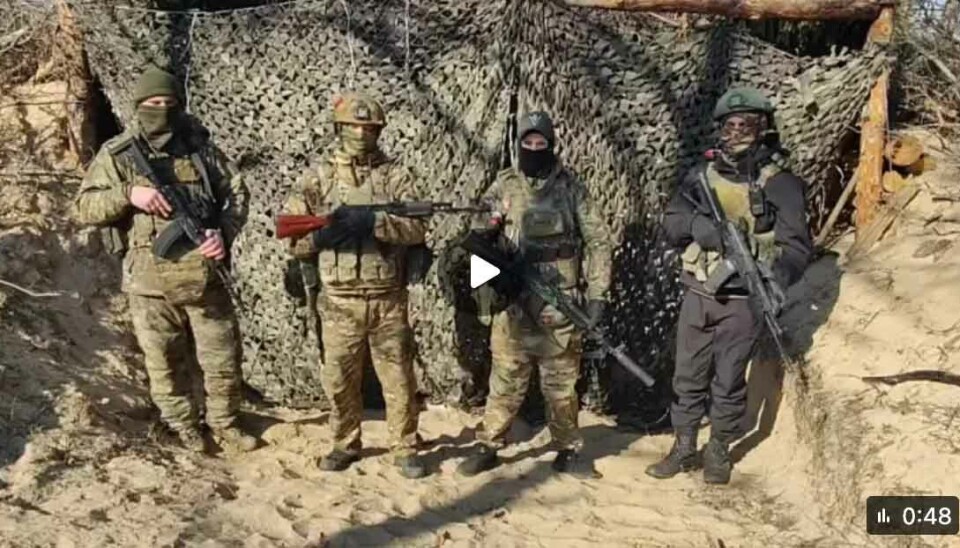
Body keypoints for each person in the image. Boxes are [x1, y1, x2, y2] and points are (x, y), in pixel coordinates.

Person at [74, 65, 256, 454]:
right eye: (153, 103)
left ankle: (225, 423)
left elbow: (237, 193)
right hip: (148, 281)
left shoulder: (202, 150)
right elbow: (84, 206)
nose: (161, 109)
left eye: (169, 103)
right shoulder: (119, 154)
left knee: (222, 356)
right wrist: (128, 195)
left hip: (205, 273)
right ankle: (183, 426)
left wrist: (223, 230)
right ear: (138, 106)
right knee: (164, 361)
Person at [647, 87, 812, 484]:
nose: (737, 132)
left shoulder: (780, 183)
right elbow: (671, 222)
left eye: (747, 125)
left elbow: (797, 248)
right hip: (699, 294)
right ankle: (684, 446)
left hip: (743, 302)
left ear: (763, 129)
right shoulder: (701, 176)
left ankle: (719, 448)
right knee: (686, 376)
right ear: (720, 129)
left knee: (729, 379)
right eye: (730, 125)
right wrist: (698, 228)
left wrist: (770, 278)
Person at [457, 111, 613, 479]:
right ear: (519, 145)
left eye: (540, 143)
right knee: (506, 379)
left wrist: (597, 297)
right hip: (513, 303)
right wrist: (489, 292)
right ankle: (489, 444)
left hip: (559, 302)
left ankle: (567, 449)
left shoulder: (572, 189)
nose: (533, 149)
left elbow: (599, 242)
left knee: (561, 385)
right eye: (527, 143)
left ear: (551, 145)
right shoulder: (505, 186)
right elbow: (480, 241)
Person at [283, 93, 427, 479]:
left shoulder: (396, 176)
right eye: (353, 127)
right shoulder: (318, 177)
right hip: (339, 300)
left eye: (369, 127)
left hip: (387, 299)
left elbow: (416, 229)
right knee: (340, 379)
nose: (361, 134)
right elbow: (293, 235)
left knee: (398, 377)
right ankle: (345, 442)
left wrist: (374, 224)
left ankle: (405, 446)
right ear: (339, 129)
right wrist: (328, 234)